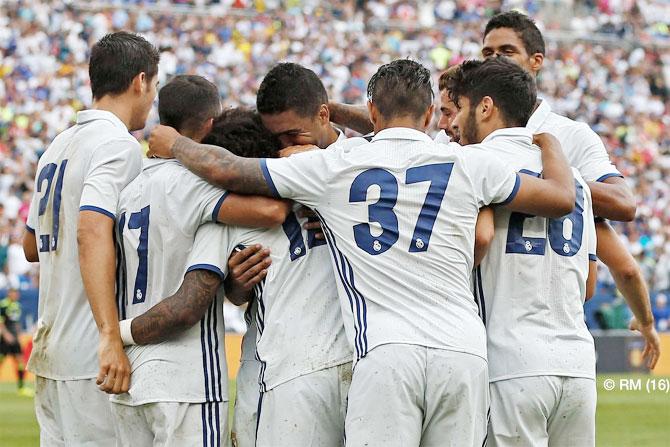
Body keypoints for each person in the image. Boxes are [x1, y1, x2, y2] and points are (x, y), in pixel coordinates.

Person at [148, 58, 577, 446]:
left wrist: (174, 145)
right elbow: (560, 198)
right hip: (463, 351)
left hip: (385, 351)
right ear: (430, 115)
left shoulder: (338, 164)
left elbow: (226, 168)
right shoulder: (465, 161)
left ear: (372, 112)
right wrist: (551, 145)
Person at [109, 75, 289, 446]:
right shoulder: (204, 191)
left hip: (129, 376)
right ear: (210, 126)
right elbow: (271, 210)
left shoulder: (128, 188)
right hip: (186, 379)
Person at [481, 11, 659, 368]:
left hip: (507, 334)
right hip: (545, 343)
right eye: (487, 53)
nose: (495, 59)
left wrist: (549, 186)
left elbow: (624, 203)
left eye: (506, 50)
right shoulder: (465, 128)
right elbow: (624, 267)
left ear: (537, 62)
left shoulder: (568, 135)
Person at [448, 57, 599, 447]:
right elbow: (590, 284)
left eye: (459, 107)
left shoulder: (470, 162)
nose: (451, 123)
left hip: (510, 362)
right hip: (579, 365)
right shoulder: (576, 180)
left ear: (485, 107)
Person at [22, 31, 159, 445]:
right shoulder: (119, 145)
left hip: (52, 349)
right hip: (91, 355)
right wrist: (109, 336)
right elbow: (91, 228)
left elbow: (31, 245)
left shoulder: (58, 145)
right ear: (140, 81)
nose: (152, 98)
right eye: (153, 85)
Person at [202, 105, 352, 447]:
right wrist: (236, 286)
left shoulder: (232, 217)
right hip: (354, 358)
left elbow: (233, 293)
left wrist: (233, 288)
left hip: (282, 369)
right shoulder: (335, 188)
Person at [0, 287, 31, 396]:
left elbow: (17, 323)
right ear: (9, 293)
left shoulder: (17, 306)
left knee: (20, 362)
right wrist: (6, 334)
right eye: (13, 293)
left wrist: (18, 334)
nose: (15, 295)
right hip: (4, 339)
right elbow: (1, 322)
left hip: (15, 339)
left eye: (16, 293)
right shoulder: (3, 305)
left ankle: (21, 387)